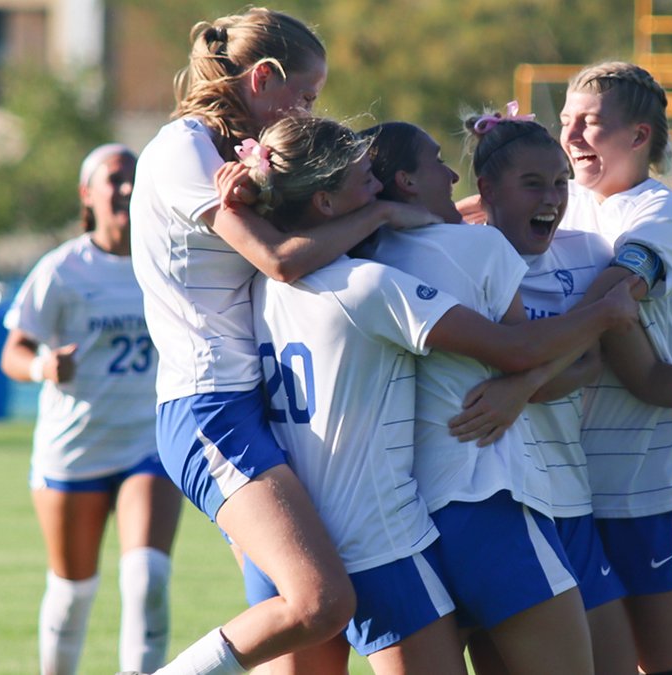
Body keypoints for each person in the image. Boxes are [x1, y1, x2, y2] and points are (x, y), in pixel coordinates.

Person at [235, 115, 640, 675]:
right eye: (435, 162)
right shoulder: (446, 257)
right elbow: (524, 349)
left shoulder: (265, 277)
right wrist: (604, 314)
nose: (453, 174)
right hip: (475, 502)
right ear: (401, 181)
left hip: (320, 530)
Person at [128, 9, 440, 674]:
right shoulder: (184, 149)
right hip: (208, 406)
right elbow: (280, 259)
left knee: (309, 629)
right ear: (262, 77)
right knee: (319, 602)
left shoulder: (231, 153)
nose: (307, 110)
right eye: (306, 94)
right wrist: (383, 210)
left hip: (260, 408)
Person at [359, 118, 647, 675]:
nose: (554, 198)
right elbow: (526, 348)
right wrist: (600, 317)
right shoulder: (474, 247)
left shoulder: (356, 256)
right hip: (495, 497)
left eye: (561, 182)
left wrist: (521, 389)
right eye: (534, 184)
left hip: (546, 498)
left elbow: (581, 363)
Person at [1, 143, 183, 675]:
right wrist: (42, 368)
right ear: (88, 193)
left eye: (134, 178)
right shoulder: (62, 269)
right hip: (74, 448)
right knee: (73, 591)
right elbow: (13, 351)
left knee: (147, 578)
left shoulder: (168, 260)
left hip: (146, 444)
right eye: (114, 178)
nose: (125, 188)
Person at [557, 61, 672, 674]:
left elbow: (615, 297)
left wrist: (522, 367)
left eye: (591, 124)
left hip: (650, 485)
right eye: (565, 122)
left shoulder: (657, 210)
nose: (572, 137)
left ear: (638, 136)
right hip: (569, 487)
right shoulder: (558, 203)